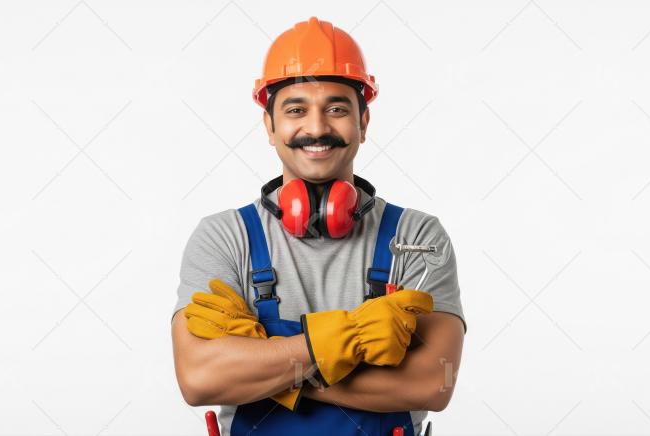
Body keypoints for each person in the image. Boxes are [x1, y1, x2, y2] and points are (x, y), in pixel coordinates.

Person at [171, 16, 466, 436]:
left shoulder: (416, 237)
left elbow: (433, 383)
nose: (316, 128)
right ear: (270, 126)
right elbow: (200, 379)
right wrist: (339, 343)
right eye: (296, 110)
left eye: (337, 109)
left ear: (363, 124)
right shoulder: (223, 237)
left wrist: (265, 366)